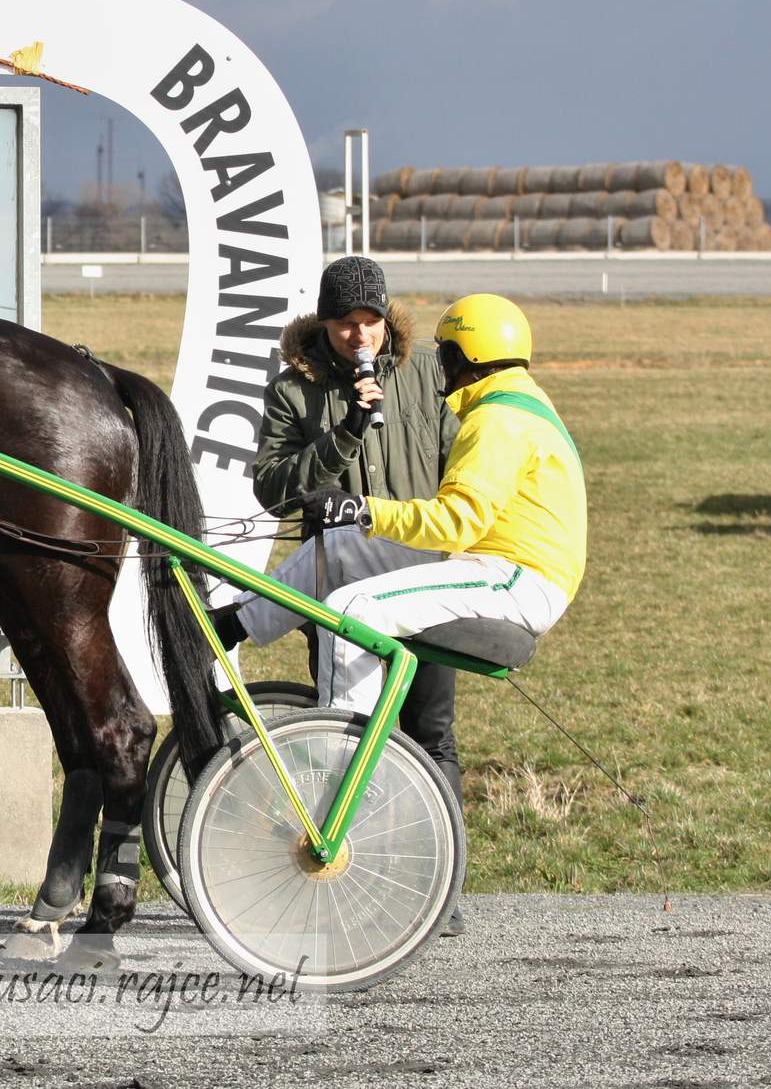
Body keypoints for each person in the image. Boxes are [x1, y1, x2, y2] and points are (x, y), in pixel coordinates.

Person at [220, 293, 586, 933]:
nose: (438, 367)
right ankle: (232, 628)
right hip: (485, 563)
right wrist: (354, 520)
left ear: (459, 356)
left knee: (350, 605)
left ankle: (342, 799)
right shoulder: (511, 403)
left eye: (445, 355)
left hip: (511, 579)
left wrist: (365, 508)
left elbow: (455, 517)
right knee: (338, 547)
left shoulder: (494, 421)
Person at [249, 255, 463, 894]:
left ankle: (433, 883)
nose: (359, 334)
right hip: (338, 595)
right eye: (346, 322)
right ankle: (356, 871)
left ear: (386, 320)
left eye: (371, 320)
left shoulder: (426, 373)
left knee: (431, 732)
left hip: (423, 583)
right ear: (325, 321)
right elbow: (271, 490)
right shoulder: (294, 390)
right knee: (354, 732)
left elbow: (461, 458)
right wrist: (341, 436)